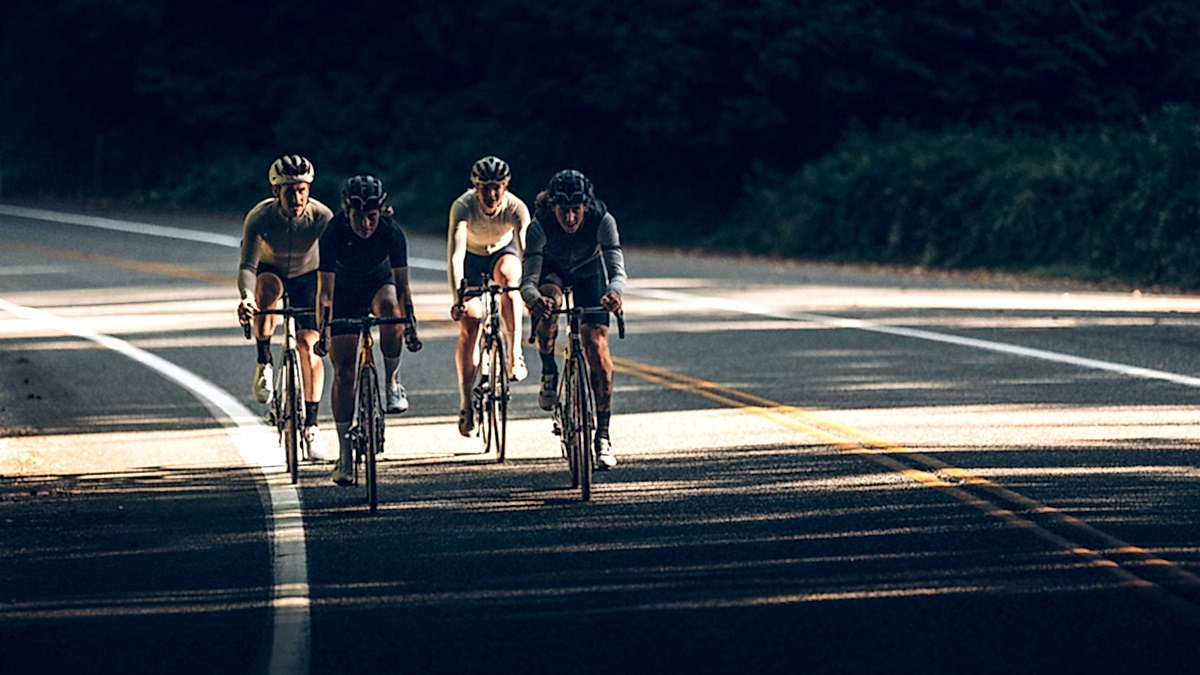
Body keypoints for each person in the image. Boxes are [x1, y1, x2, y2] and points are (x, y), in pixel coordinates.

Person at [316, 175, 422, 486]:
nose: (366, 224)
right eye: (359, 217)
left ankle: (391, 381)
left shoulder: (391, 232)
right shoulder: (333, 232)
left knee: (391, 310)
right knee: (344, 371)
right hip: (343, 292)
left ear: (381, 212)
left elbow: (403, 288)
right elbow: (325, 292)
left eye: (372, 217)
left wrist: (411, 326)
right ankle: (345, 454)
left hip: (379, 284)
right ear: (346, 212)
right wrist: (324, 330)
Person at [520, 169, 626, 469]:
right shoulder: (539, 225)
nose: (569, 218)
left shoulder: (602, 220)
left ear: (586, 205)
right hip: (551, 271)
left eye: (575, 210)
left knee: (596, 346)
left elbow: (617, 271)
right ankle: (549, 369)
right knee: (550, 300)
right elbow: (528, 280)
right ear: (552, 205)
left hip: (588, 272)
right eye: (563, 210)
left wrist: (614, 293)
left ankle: (602, 435)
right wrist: (534, 300)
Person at [237, 154, 334, 461]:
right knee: (266, 291)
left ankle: (312, 427)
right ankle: (264, 361)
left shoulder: (321, 216)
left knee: (309, 344)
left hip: (307, 276)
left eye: (302, 189)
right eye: (289, 190)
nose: (296, 197)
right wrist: (245, 296)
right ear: (275, 192)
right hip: (272, 270)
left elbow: (334, 264)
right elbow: (247, 266)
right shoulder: (260, 217)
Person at [447, 155, 531, 437]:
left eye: (497, 187)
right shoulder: (463, 206)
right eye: (484, 187)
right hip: (471, 258)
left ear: (505, 187)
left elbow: (528, 254)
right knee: (471, 321)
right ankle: (466, 402)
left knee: (510, 278)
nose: (491, 194)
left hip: (501, 254)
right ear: (475, 187)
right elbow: (456, 256)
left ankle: (514, 353)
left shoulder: (517, 208)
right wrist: (458, 296)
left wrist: (531, 290)